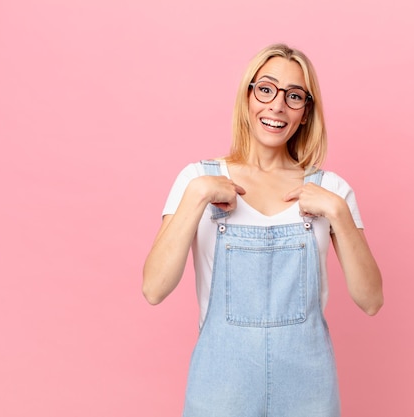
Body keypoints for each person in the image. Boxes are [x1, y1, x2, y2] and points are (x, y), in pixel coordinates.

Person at [142, 43, 383, 417]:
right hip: (220, 390)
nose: (277, 106)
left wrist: (337, 212)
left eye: (294, 96)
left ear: (305, 113)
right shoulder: (196, 180)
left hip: (308, 392)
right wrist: (197, 195)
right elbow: (154, 289)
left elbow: (371, 300)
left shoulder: (331, 191)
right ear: (248, 97)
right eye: (266, 89)